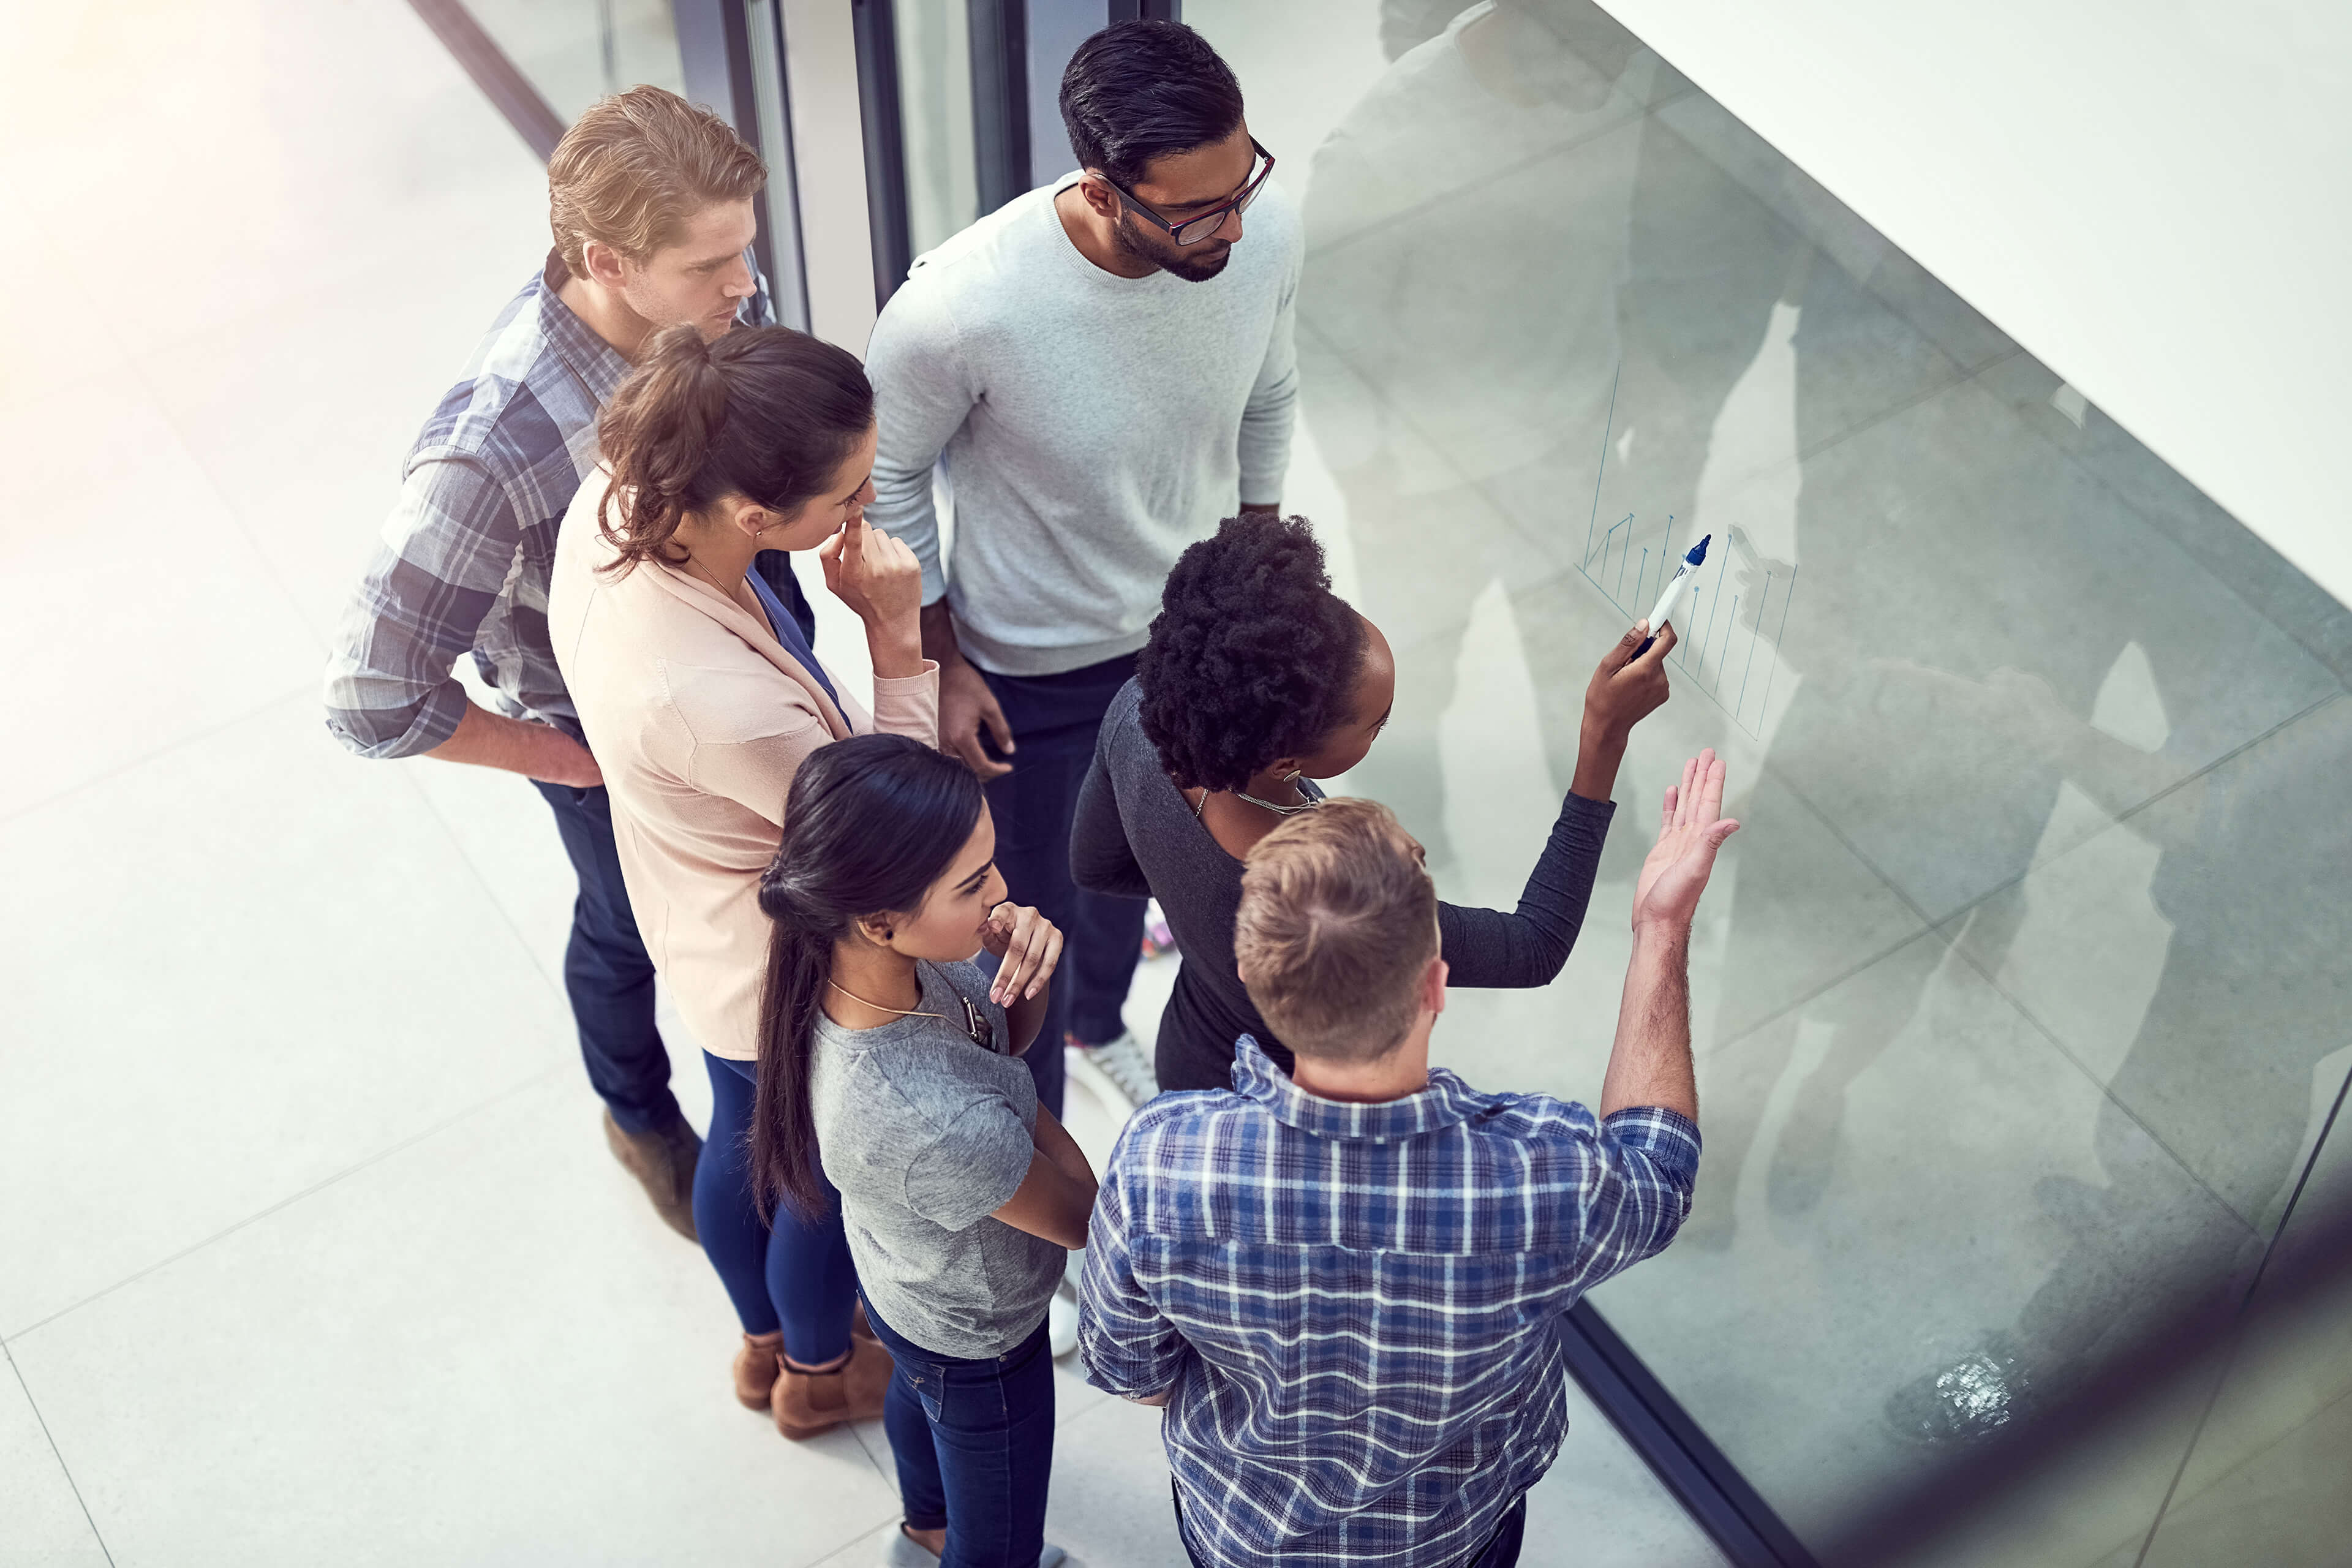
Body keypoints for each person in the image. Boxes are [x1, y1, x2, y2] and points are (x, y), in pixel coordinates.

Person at [322, 86, 816, 1239]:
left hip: (744, 629)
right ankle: (640, 1116)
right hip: (610, 734)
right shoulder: (491, 450)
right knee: (629, 928)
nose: (745, 289)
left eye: (745, 251)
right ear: (606, 259)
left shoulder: (716, 297)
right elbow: (367, 691)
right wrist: (563, 761)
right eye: (709, 267)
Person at [1079, 768, 1737, 1566]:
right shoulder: (1538, 1177)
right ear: (1436, 983)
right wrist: (1660, 931)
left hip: (1242, 1537)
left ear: (1252, 975)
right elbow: (1659, 1170)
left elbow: (1131, 1370)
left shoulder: (1160, 1163)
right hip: (1454, 1539)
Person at [862, 18, 1303, 1126]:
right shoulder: (958, 309)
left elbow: (1268, 395)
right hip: (1034, 668)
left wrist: (1260, 569)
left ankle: (1102, 1019)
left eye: (1243, 181)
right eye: (1200, 209)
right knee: (1032, 918)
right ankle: (1041, 1125)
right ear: (1104, 193)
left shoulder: (1263, 233)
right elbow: (894, 479)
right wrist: (944, 661)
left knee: (1147, 861)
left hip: (1191, 633)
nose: (1235, 225)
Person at [545, 325, 932, 1436]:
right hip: (771, 952)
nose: (866, 509)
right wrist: (896, 640)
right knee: (812, 1173)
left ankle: (763, 1346)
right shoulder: (714, 699)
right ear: (761, 521)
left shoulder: (622, 496)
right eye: (850, 495)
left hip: (691, 903)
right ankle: (818, 1372)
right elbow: (886, 830)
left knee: (739, 1129)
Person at [1071, 514, 1670, 1093]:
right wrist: (1603, 736)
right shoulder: (1332, 898)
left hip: (1190, 1065)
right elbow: (1534, 946)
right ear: (1285, 763)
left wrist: (1194, 908)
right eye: (1375, 726)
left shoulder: (1138, 713)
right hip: (1288, 1113)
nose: (1385, 725)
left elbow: (1094, 867)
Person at [755, 735, 1089, 1568]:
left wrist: (1026, 979)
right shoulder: (929, 1119)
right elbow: (1080, 1217)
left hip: (909, 1293)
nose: (1004, 893)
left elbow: (998, 1043)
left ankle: (923, 1531)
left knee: (918, 1393)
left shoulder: (861, 968)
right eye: (974, 884)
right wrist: (1026, 1119)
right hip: (984, 1339)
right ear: (879, 918)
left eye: (991, 864)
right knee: (1002, 1544)